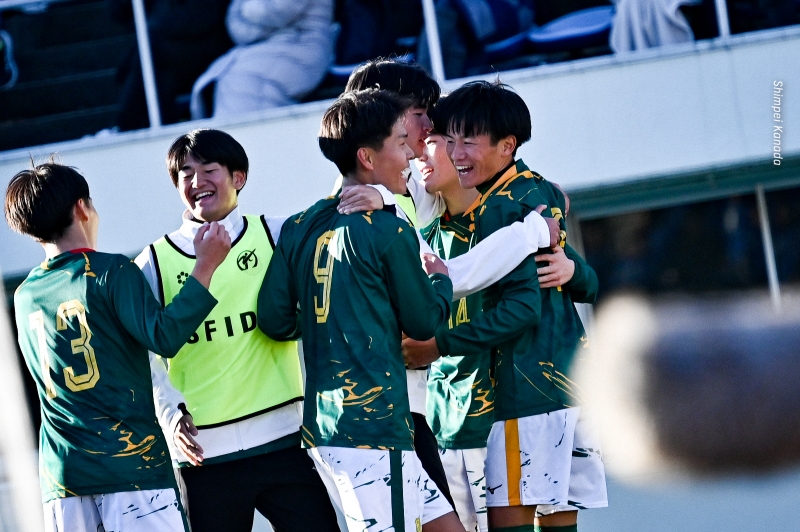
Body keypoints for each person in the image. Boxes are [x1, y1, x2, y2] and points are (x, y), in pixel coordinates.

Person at [342, 60, 565, 517]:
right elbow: (439, 275)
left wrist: (569, 261)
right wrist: (531, 233)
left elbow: (472, 273)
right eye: (420, 115)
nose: (430, 130)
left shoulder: (421, 194)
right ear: (379, 115)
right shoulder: (366, 204)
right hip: (391, 408)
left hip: (451, 408)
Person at [403, 81, 607, 532]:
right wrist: (575, 271)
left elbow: (523, 305)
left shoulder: (503, 206)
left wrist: (437, 344)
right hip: (546, 394)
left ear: (506, 146)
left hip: (523, 397)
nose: (454, 153)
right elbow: (586, 282)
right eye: (448, 140)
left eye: (465, 142)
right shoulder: (533, 194)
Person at [258, 87, 465, 532]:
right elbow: (425, 322)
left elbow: (274, 321)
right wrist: (440, 280)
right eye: (400, 142)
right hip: (373, 428)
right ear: (367, 157)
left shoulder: (300, 225)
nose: (410, 153)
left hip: (328, 426)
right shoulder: (387, 228)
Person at [135, 129, 342, 532]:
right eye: (185, 174)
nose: (197, 182)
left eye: (209, 170)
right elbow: (143, 353)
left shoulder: (276, 233)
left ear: (239, 177)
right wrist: (169, 414)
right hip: (204, 455)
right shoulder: (153, 261)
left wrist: (372, 196)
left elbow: (333, 217)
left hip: (286, 439)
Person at [6, 161, 229, 531]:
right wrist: (205, 266)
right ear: (82, 208)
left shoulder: (25, 295)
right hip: (130, 464)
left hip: (62, 475)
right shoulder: (111, 271)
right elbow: (164, 336)